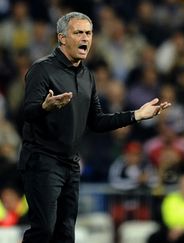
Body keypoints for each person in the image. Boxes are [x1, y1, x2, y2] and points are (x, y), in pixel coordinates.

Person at [18, 12, 171, 243]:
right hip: (42, 160)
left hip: (70, 164)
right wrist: (45, 106)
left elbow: (97, 121)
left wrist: (137, 115)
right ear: (61, 38)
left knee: (66, 234)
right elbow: (27, 112)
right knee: (44, 231)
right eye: (78, 32)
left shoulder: (87, 76)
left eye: (88, 33)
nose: (85, 38)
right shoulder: (42, 69)